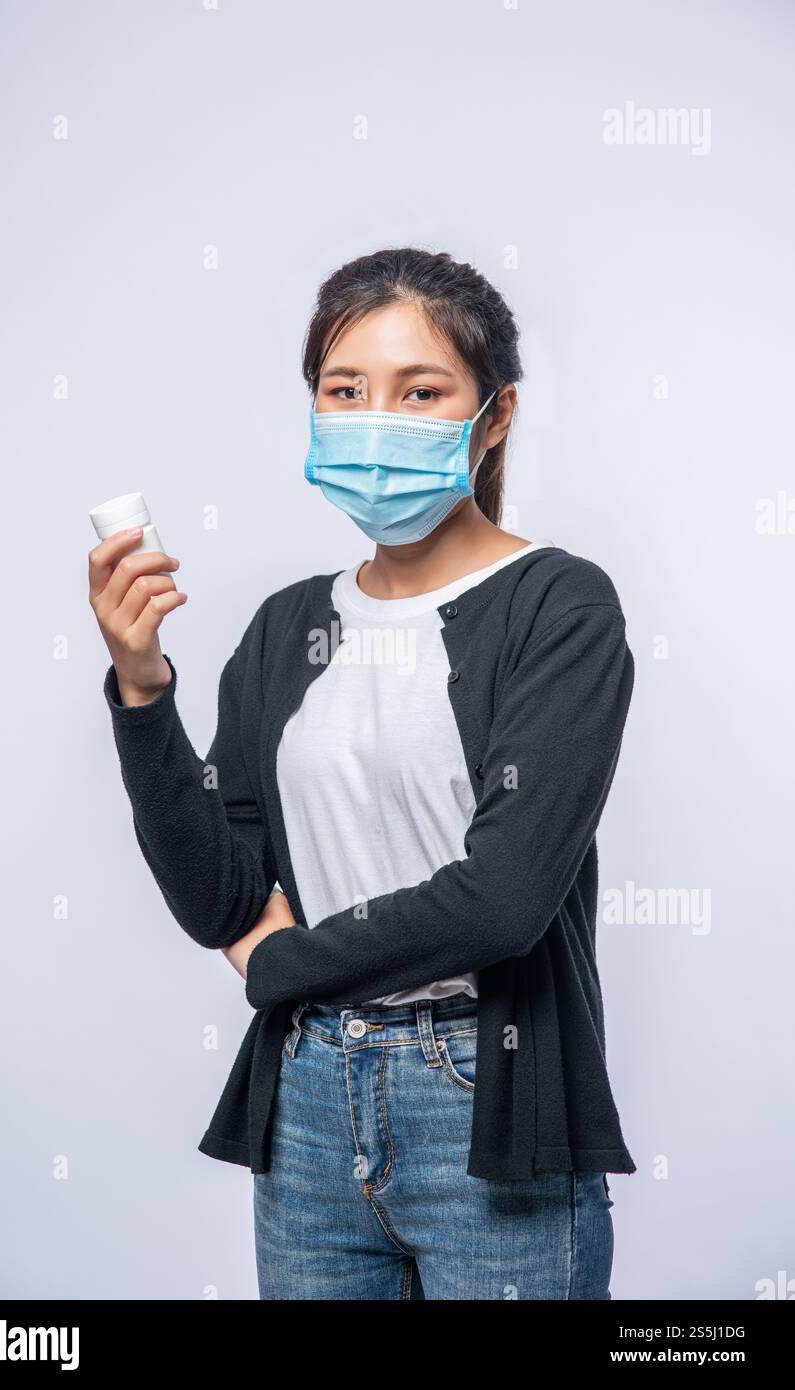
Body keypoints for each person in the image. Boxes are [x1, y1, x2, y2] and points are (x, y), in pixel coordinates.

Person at [89, 247, 636, 1300]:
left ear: (496, 414)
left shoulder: (561, 607)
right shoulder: (287, 625)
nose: (375, 418)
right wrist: (143, 687)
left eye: (419, 391)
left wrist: (279, 964)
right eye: (346, 391)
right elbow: (219, 889)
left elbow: (504, 899)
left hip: (483, 1090)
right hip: (308, 1103)